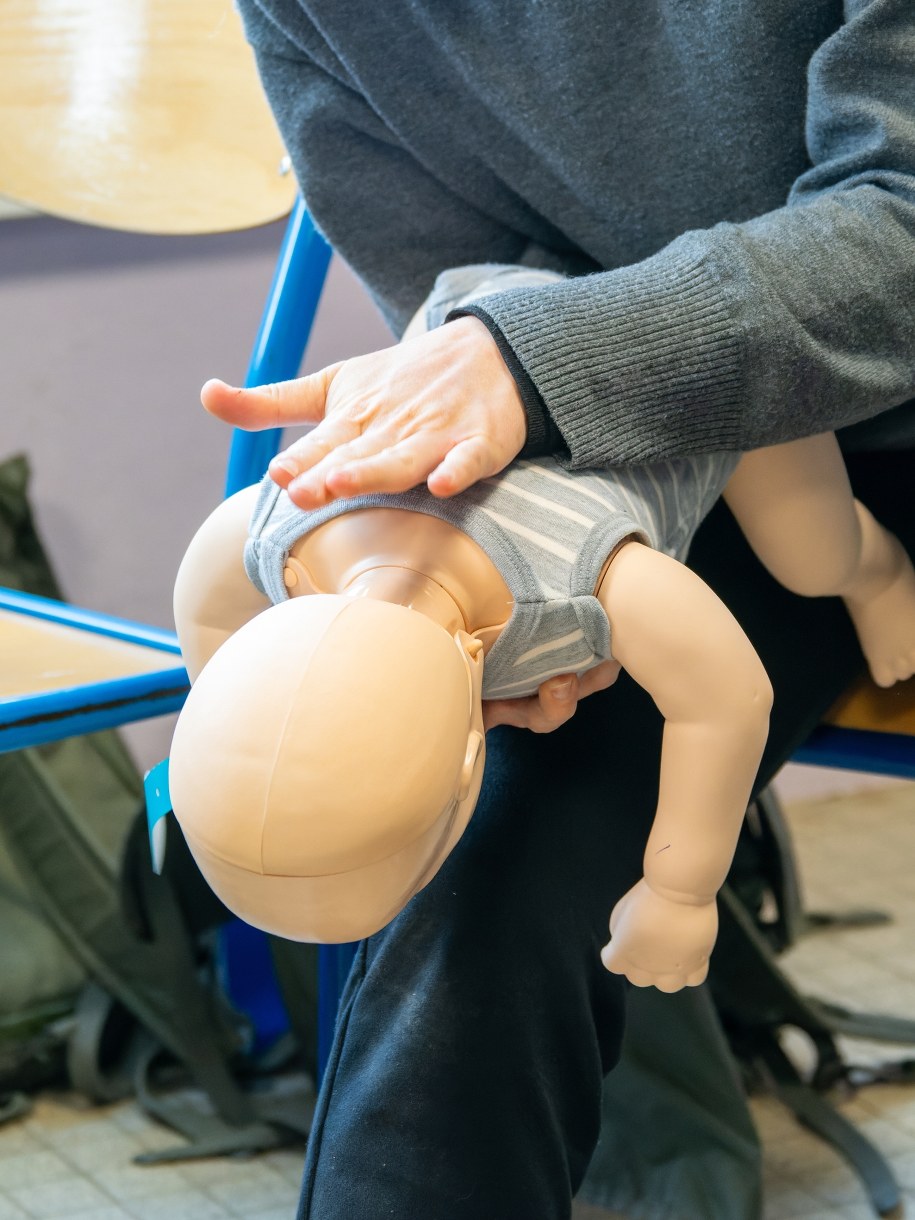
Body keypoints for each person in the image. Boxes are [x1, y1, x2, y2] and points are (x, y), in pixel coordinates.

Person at [198, 3, 915, 1217]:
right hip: (646, 429)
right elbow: (463, 276)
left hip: (821, 421)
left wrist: (540, 358)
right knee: (472, 861)